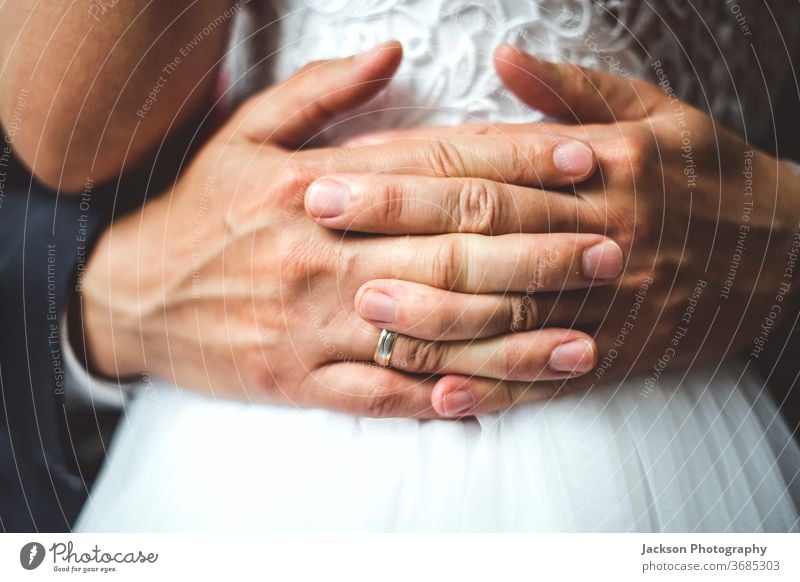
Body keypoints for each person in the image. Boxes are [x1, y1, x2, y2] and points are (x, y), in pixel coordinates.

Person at [2, 1, 800, 531]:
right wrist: (115, 298)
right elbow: (71, 134)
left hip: (664, 404)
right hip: (270, 436)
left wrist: (785, 226)